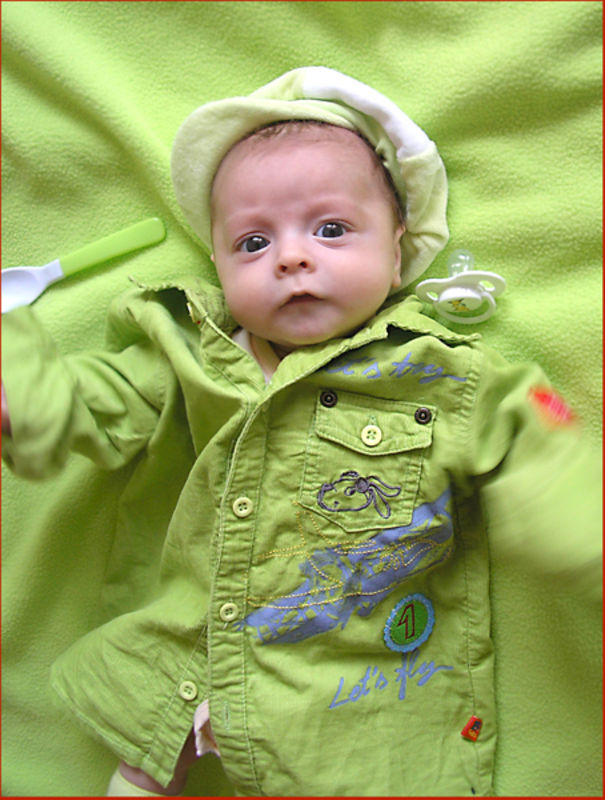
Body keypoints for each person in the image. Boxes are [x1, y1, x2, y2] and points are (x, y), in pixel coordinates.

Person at [1, 67, 600, 797]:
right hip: (184, 649)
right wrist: (20, 391)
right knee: (140, 761)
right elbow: (94, 400)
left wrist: (581, 537)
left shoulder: (442, 376)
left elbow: (539, 457)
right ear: (218, 264)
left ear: (398, 249)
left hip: (350, 689)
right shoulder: (185, 354)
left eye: (330, 229)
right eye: (253, 242)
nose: (290, 256)